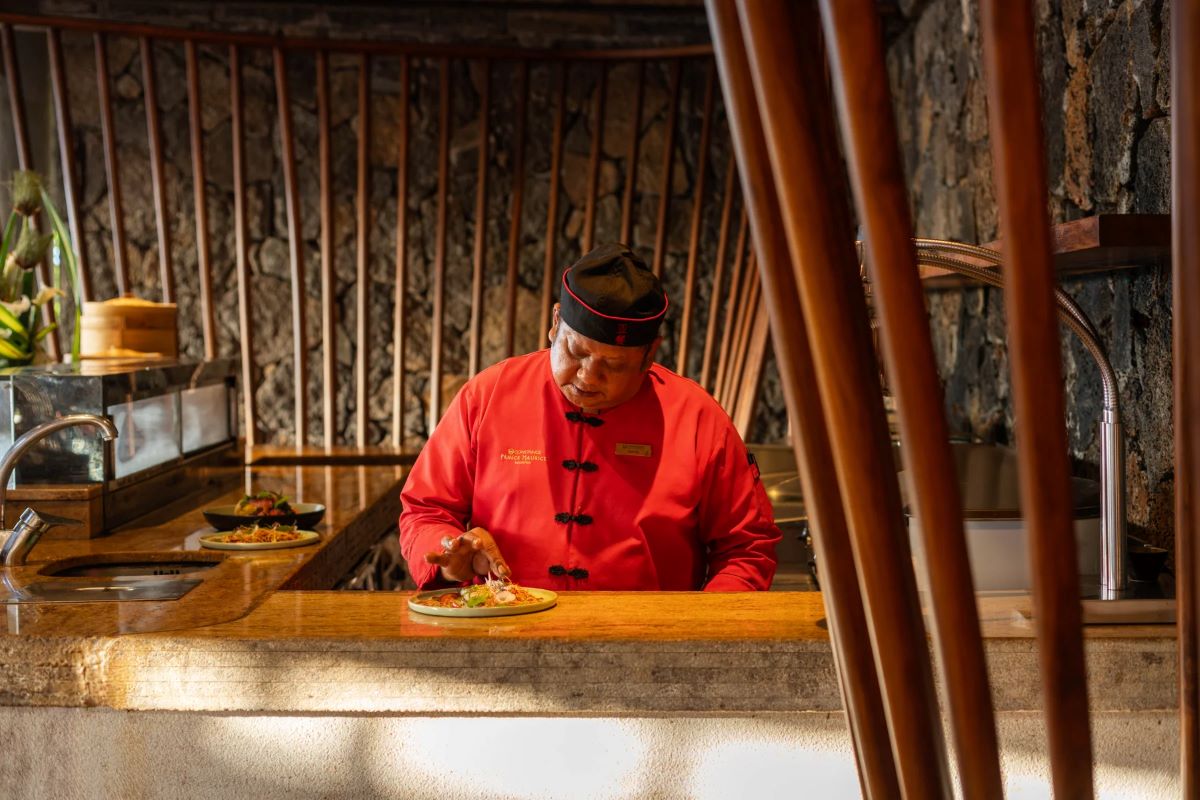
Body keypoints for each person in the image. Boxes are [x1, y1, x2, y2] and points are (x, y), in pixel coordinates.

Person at [398, 242, 780, 591]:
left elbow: (747, 546)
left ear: (649, 355)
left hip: (647, 649)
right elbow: (426, 509)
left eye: (613, 365)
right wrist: (447, 552)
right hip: (502, 634)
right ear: (555, 322)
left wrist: (700, 639)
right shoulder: (488, 395)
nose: (587, 377)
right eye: (576, 352)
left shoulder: (697, 418)